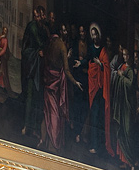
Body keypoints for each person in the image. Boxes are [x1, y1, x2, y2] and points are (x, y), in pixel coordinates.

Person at [41, 26, 81, 151]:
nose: (65, 32)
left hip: (48, 79)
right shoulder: (62, 47)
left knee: (48, 111)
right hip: (56, 83)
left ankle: (45, 140)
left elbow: (47, 59)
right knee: (54, 114)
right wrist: (75, 82)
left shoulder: (51, 42)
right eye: (64, 30)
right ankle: (54, 144)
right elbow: (67, 70)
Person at [86, 23, 113, 156]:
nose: (94, 36)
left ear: (98, 35)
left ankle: (98, 146)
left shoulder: (103, 50)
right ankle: (93, 144)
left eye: (95, 34)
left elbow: (106, 67)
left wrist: (99, 64)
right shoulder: (91, 48)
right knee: (93, 116)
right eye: (92, 35)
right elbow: (88, 61)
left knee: (99, 117)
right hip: (93, 86)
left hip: (101, 89)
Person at [20, 6, 48, 137]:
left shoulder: (44, 29)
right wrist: (39, 51)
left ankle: (36, 128)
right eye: (36, 16)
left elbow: (46, 44)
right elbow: (37, 43)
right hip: (31, 65)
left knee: (38, 99)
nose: (38, 18)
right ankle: (27, 125)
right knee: (30, 98)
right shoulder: (32, 26)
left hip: (39, 67)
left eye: (39, 15)